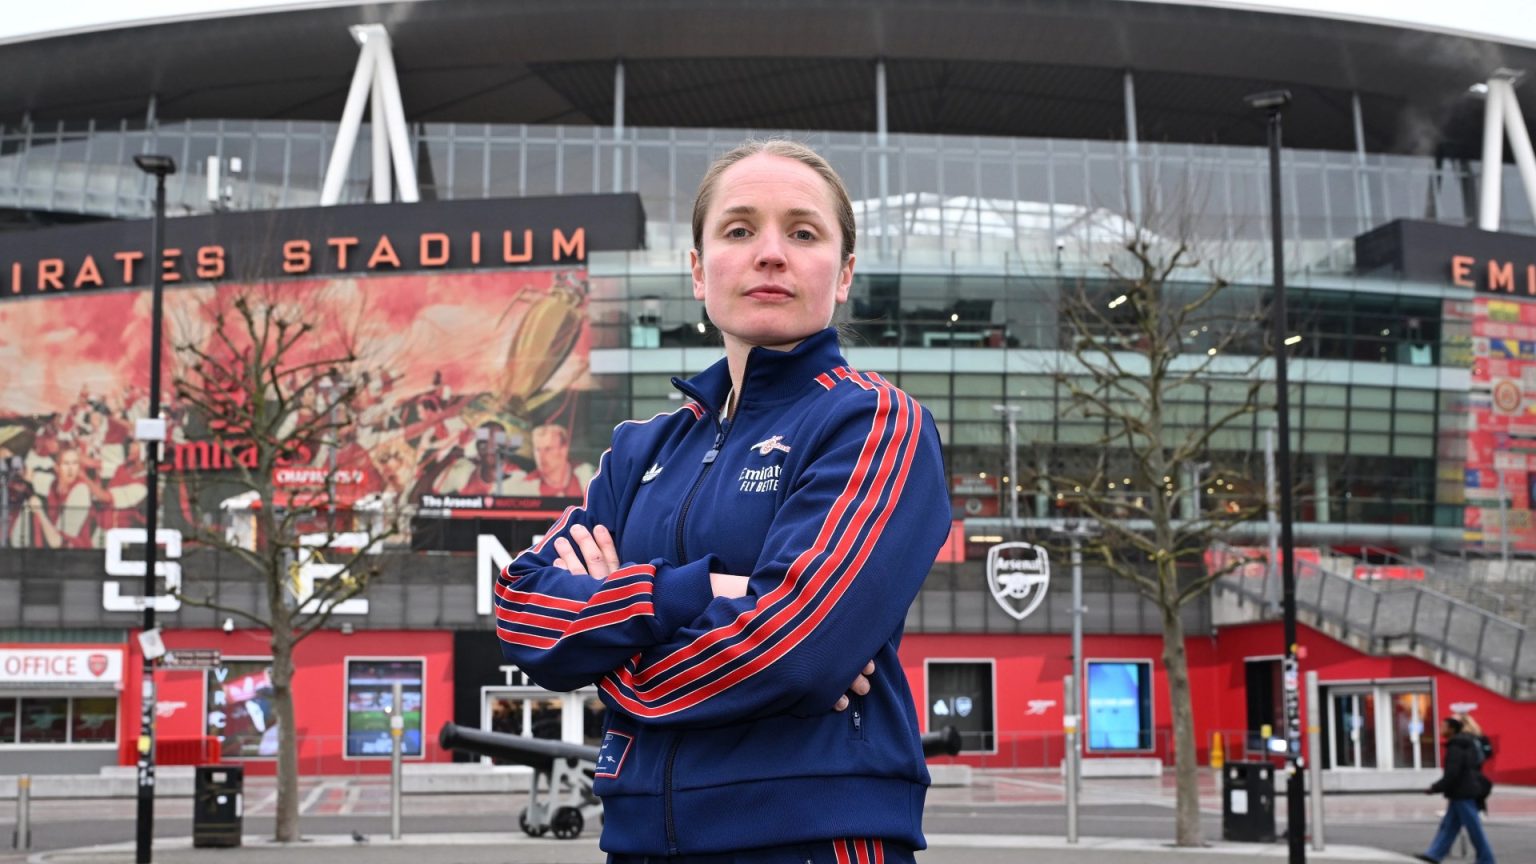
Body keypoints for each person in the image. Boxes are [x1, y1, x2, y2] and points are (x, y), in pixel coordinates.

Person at [493, 139, 949, 862]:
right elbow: (521, 608)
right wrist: (699, 590)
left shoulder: (874, 423)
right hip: (637, 842)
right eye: (739, 230)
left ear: (843, 275)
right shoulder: (641, 449)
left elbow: (792, 651)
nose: (770, 254)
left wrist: (611, 656)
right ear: (699, 271)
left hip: (812, 840)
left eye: (803, 232)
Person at [1417, 715, 1497, 864]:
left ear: (1452, 729)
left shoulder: (1456, 746)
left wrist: (1435, 787)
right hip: (1462, 791)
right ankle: (1434, 854)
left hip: (1463, 792)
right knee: (1449, 826)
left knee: (1474, 828)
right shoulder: (1464, 743)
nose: (1440, 729)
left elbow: (1453, 772)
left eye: (1443, 726)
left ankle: (1487, 859)